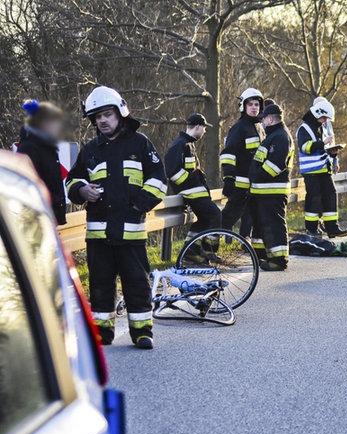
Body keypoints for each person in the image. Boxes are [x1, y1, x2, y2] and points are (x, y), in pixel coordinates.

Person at [66, 86, 166, 350]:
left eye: (107, 114)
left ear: (120, 113)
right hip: (98, 235)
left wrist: (139, 204)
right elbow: (72, 180)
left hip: (131, 232)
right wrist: (81, 189)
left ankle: (143, 331)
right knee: (100, 284)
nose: (102, 120)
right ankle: (102, 332)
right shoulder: (90, 150)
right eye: (96, 117)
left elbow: (158, 179)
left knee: (137, 283)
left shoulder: (140, 144)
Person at [165, 113, 221, 262]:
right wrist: (191, 181)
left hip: (195, 192)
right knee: (215, 215)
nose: (204, 132)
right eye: (204, 128)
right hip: (191, 193)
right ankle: (210, 252)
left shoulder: (188, 144)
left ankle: (191, 251)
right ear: (197, 127)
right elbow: (172, 172)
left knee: (203, 220)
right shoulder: (180, 145)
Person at [296, 98, 347, 238]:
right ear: (317, 114)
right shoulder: (304, 128)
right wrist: (322, 143)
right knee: (314, 200)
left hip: (324, 170)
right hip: (311, 172)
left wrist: (333, 153)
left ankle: (332, 228)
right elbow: (305, 147)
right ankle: (312, 229)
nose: (326, 121)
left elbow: (323, 147)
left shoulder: (321, 127)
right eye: (324, 117)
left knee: (331, 196)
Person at [249, 103, 294, 271]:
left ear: (269, 119)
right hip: (263, 192)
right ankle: (264, 257)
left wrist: (257, 174)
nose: (262, 123)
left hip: (272, 192)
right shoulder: (273, 135)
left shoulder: (281, 137)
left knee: (274, 225)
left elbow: (275, 165)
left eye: (263, 119)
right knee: (263, 225)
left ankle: (279, 260)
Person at [220, 88, 265, 242]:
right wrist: (228, 178)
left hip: (254, 184)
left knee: (253, 215)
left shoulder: (259, 128)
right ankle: (209, 248)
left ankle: (245, 241)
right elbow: (227, 154)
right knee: (228, 217)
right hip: (239, 184)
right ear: (243, 106)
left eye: (257, 105)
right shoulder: (238, 127)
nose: (254, 108)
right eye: (251, 104)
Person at [16, 99, 67, 225]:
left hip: (47, 217)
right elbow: (29, 185)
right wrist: (54, 201)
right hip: (37, 219)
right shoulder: (29, 147)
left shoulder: (46, 146)